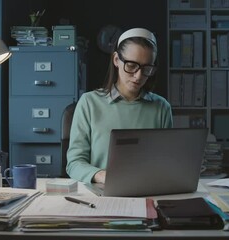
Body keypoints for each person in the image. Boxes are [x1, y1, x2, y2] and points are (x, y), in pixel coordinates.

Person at [66, 27, 173, 183]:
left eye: (147, 68)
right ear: (116, 60)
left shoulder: (162, 107)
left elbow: (167, 161)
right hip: (102, 194)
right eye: (131, 65)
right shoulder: (89, 103)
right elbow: (74, 164)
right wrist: (103, 176)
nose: (138, 76)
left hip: (147, 191)